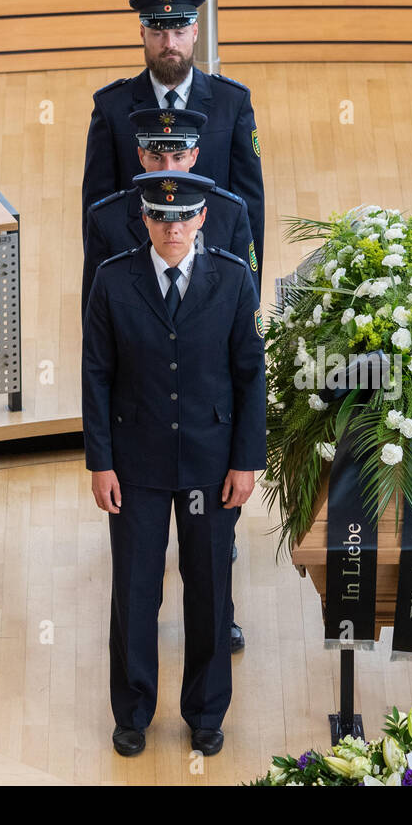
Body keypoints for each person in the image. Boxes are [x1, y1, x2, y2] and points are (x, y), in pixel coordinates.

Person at [83, 170, 265, 758]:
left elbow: (249, 377)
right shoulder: (113, 281)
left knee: (209, 588)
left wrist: (245, 461)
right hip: (134, 466)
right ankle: (133, 712)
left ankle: (206, 711)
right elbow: (97, 376)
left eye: (184, 216)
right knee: (134, 591)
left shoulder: (235, 281)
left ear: (202, 218)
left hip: (212, 467)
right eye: (161, 217)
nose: (173, 227)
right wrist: (100, 463)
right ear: (144, 219)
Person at [81, 0, 264, 287]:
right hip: (136, 274)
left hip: (213, 274)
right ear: (142, 33)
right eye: (158, 34)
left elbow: (250, 206)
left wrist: (249, 292)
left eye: (179, 32)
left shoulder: (232, 102)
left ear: (194, 31)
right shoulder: (111, 107)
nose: (170, 44)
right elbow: (97, 211)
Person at [83, 107, 256, 313]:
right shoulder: (105, 219)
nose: (168, 169)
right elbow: (94, 310)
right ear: (141, 155)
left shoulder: (231, 213)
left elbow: (246, 300)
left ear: (194, 156)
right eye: (157, 157)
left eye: (178, 157)